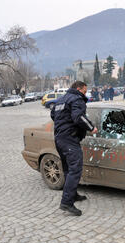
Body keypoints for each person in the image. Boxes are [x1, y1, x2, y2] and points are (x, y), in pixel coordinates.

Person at [51, 81, 98, 216]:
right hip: (70, 140)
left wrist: (64, 125)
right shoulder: (76, 99)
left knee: (68, 169)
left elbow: (53, 115)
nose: (85, 94)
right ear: (78, 89)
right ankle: (66, 202)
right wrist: (91, 127)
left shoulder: (60, 100)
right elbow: (78, 117)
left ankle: (73, 194)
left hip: (59, 139)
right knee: (75, 170)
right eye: (84, 91)